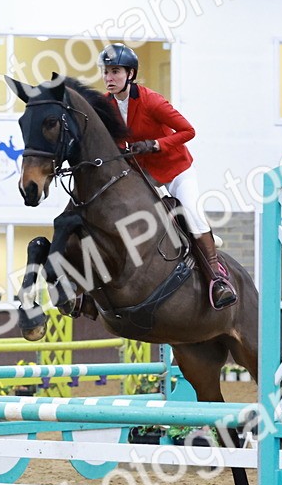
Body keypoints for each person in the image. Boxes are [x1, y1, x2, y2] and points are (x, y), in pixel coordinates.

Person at [100, 42, 237, 309]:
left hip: (176, 171)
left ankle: (217, 278)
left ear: (130, 74)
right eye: (106, 72)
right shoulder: (105, 105)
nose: (108, 78)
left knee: (194, 215)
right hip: (144, 175)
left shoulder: (151, 100)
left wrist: (155, 144)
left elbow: (188, 131)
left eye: (115, 71)